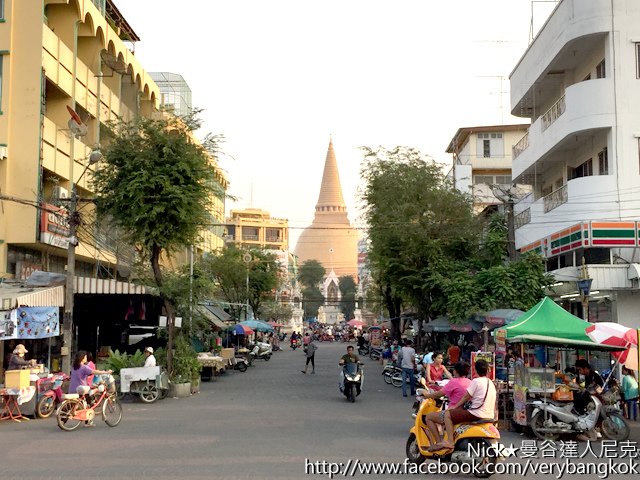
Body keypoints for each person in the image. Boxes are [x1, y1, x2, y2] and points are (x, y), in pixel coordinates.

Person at [434, 359, 497, 451]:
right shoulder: (491, 383)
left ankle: (450, 441)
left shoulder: (476, 381)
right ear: (487, 370)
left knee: (448, 415)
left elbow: (465, 397)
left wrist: (454, 408)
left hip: (476, 413)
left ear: (475, 370)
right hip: (490, 415)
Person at [423, 362, 472, 444]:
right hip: (466, 411)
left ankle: (438, 442)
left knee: (429, 417)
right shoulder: (470, 382)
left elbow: (439, 394)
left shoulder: (454, 382)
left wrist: (427, 395)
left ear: (455, 371)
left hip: (454, 411)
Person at [68, 350, 113, 426]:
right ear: (82, 358)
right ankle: (88, 421)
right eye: (85, 357)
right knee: (90, 403)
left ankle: (63, 421)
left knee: (81, 403)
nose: (86, 358)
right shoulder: (84, 367)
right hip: (81, 389)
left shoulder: (74, 367)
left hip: (72, 389)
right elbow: (95, 372)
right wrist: (106, 372)